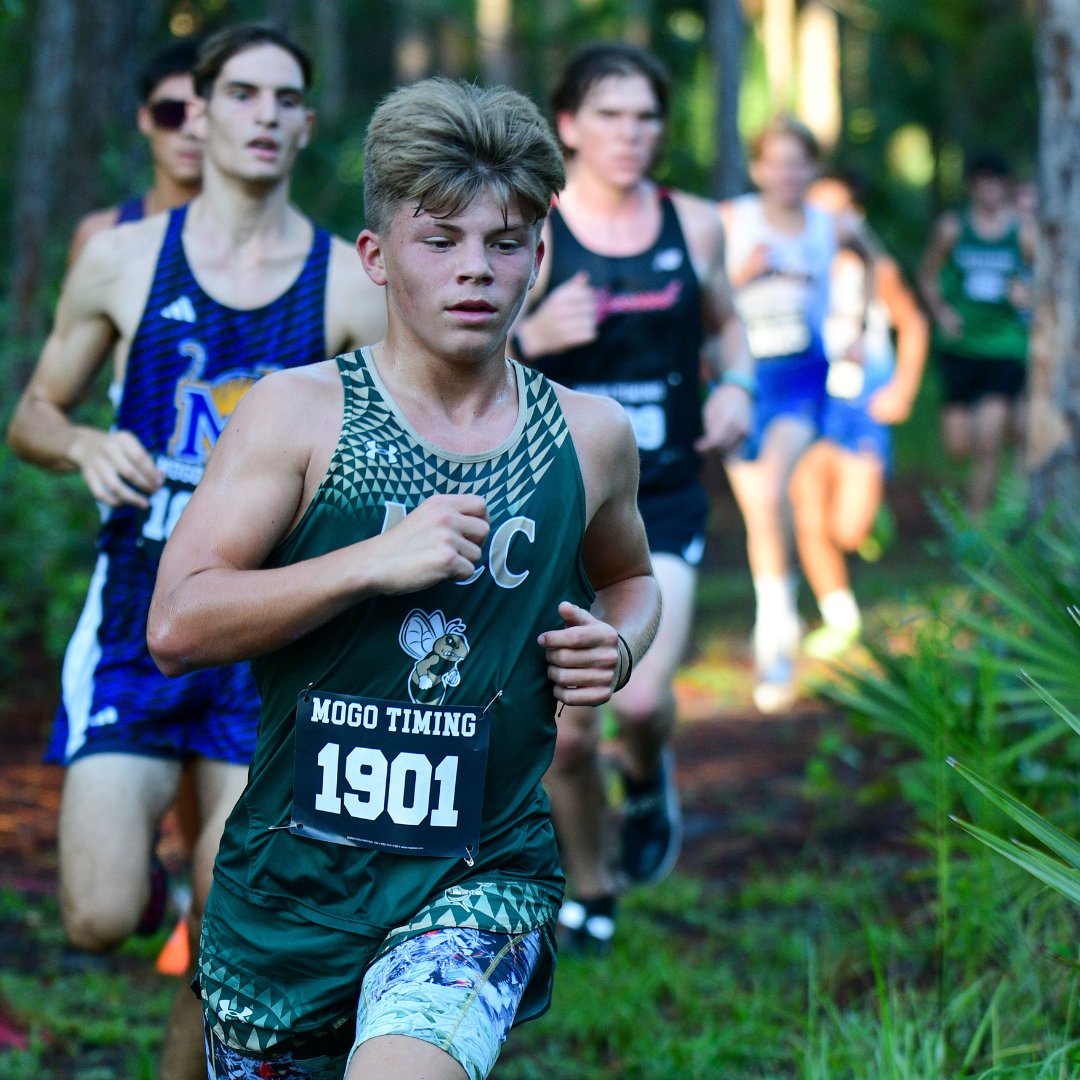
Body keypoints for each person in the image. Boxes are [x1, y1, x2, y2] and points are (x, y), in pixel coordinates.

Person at [146, 76, 661, 1080]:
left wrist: (622, 641)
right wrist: (370, 562)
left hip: (480, 875)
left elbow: (630, 578)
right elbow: (177, 622)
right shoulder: (297, 416)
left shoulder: (589, 435)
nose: (475, 269)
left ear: (538, 257)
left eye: (504, 242)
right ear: (377, 259)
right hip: (291, 881)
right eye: (441, 241)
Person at [7, 24, 385, 1080]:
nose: (266, 115)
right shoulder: (122, 258)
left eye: (288, 99)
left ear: (308, 124)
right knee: (95, 915)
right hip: (134, 624)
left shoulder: (346, 286)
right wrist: (82, 441)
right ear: (200, 112)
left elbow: (406, 446)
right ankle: (164, 892)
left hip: (270, 645)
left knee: (231, 925)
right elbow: (33, 413)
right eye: (244, 94)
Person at [511, 42, 754, 951]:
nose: (631, 133)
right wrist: (533, 333)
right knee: (568, 738)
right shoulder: (531, 228)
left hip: (669, 500)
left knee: (640, 701)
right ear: (568, 124)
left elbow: (729, 331)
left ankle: (649, 780)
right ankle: (593, 884)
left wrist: (737, 388)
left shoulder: (694, 225)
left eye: (647, 115)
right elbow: (463, 361)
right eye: (609, 114)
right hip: (560, 503)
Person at [720, 114, 842, 714]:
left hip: (800, 376)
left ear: (812, 168)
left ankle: (775, 636)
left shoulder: (828, 224)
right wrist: (741, 276)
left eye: (800, 161)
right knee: (758, 512)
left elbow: (880, 269)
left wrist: (858, 326)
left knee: (772, 490)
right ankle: (780, 616)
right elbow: (701, 294)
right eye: (777, 160)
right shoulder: (733, 221)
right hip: (741, 379)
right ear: (757, 167)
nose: (788, 172)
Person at [789, 172, 929, 660]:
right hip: (811, 401)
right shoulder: (796, 265)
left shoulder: (878, 269)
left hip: (863, 405)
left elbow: (913, 325)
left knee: (847, 528)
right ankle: (839, 615)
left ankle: (871, 519)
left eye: (837, 211)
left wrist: (903, 389)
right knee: (807, 511)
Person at [917, 150, 1034, 518]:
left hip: (1004, 348)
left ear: (1006, 187)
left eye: (997, 183)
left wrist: (1026, 296)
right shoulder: (952, 228)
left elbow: (1048, 282)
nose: (990, 190)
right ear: (971, 187)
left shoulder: (1023, 232)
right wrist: (941, 312)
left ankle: (978, 530)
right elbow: (927, 274)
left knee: (988, 440)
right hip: (960, 347)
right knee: (958, 446)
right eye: (983, 182)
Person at [69, 38, 203, 264]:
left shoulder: (254, 241)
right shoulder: (100, 237)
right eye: (171, 113)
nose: (188, 131)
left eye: (201, 116)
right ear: (144, 118)